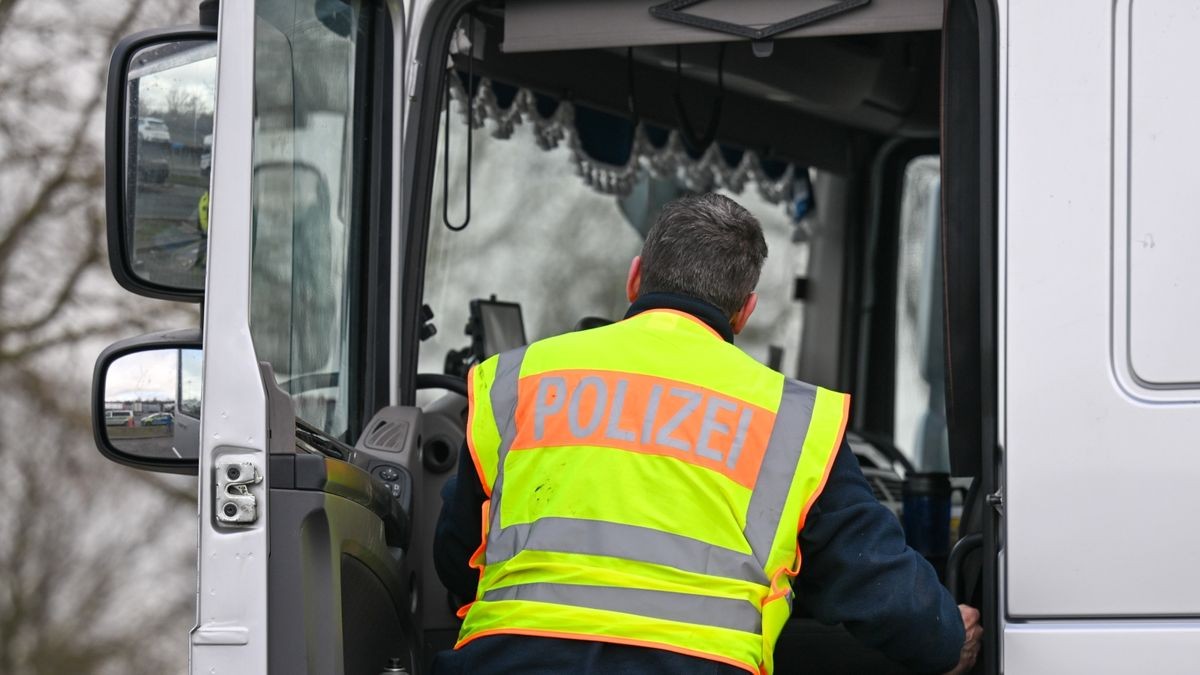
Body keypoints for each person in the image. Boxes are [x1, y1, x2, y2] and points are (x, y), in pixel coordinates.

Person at [433, 193, 982, 674]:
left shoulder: (517, 381)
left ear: (635, 276)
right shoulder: (790, 420)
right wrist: (944, 640)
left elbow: (456, 554)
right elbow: (869, 576)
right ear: (745, 311)